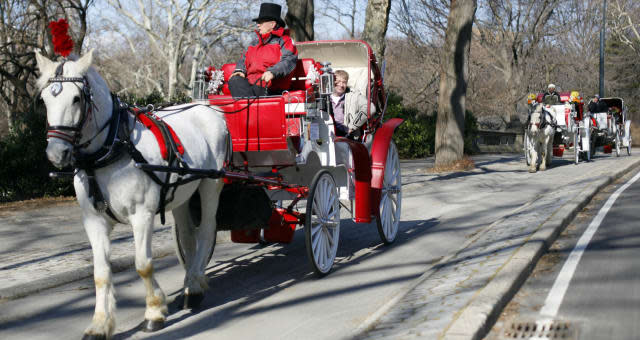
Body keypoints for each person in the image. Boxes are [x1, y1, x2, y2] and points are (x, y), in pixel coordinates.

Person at [228, 3, 298, 98]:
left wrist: (272, 72)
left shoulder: (285, 41)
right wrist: (240, 70)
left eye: (261, 22)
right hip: (250, 85)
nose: (258, 25)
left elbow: (288, 61)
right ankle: (251, 108)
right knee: (234, 80)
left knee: (256, 88)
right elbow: (243, 59)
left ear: (272, 24)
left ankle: (248, 109)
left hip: (271, 86)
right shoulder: (253, 43)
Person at [330, 70, 374, 137]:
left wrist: (352, 126)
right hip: (327, 135)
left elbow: (371, 107)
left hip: (347, 136)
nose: (341, 85)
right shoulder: (324, 97)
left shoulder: (354, 96)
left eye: (344, 82)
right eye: (338, 81)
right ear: (332, 82)